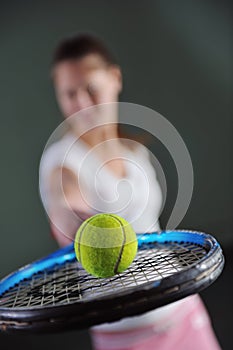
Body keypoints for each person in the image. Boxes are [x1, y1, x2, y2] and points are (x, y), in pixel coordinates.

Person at [39, 34, 221, 350]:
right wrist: (83, 229)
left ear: (115, 78)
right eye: (69, 94)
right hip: (124, 334)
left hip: (182, 308)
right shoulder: (61, 161)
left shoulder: (135, 152)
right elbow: (63, 206)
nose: (80, 103)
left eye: (91, 89)